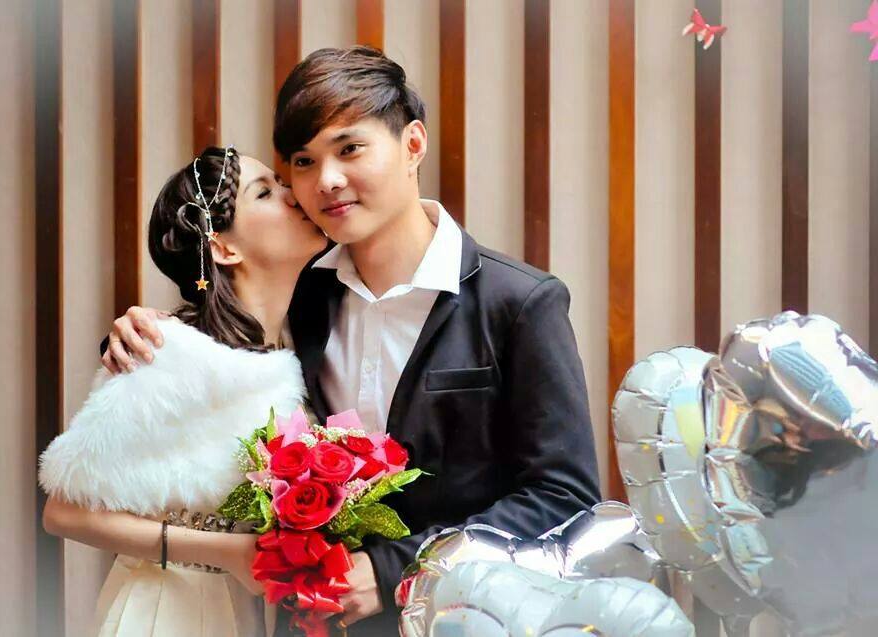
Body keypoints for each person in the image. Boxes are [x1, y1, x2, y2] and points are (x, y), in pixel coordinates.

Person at [104, 46, 601, 637]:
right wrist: (142, 333)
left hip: (463, 620)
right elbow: (222, 344)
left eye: (350, 149)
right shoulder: (300, 294)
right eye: (304, 161)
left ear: (413, 144)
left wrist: (395, 569)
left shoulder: (517, 303)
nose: (327, 181)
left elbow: (562, 496)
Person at [42, 146, 328, 636]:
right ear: (224, 248)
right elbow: (63, 512)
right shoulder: (163, 350)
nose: (293, 195)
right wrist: (225, 551)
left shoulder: (301, 342)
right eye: (265, 192)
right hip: (163, 610)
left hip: (242, 614)